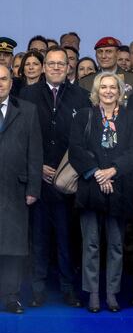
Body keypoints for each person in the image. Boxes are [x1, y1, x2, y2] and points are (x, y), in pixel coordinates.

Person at [19, 47, 89, 308]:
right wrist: (37, 167)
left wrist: (63, 170)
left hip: (67, 181)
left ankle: (68, 289)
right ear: (44, 66)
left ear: (68, 67)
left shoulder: (81, 97)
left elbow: (84, 141)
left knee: (66, 238)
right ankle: (37, 290)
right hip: (36, 178)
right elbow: (21, 137)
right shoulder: (27, 95)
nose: (57, 67)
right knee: (38, 238)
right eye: (52, 63)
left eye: (62, 63)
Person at [69, 72, 133, 313]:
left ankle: (112, 293)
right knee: (90, 244)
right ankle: (92, 294)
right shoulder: (84, 116)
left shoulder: (132, 118)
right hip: (90, 188)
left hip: (119, 187)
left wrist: (112, 171)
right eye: (104, 87)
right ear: (96, 91)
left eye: (113, 87)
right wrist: (97, 173)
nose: (109, 91)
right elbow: (76, 150)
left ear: (120, 92)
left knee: (116, 245)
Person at [0, 64, 43, 314]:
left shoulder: (27, 110)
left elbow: (35, 153)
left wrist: (34, 189)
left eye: (4, 79)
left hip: (16, 189)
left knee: (14, 248)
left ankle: (11, 297)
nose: (0, 83)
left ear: (11, 82)